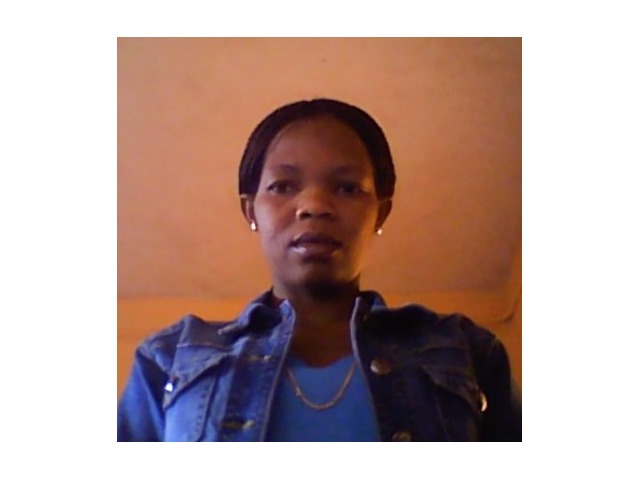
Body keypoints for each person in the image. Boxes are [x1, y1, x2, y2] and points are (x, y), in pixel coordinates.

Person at [117, 98, 522, 442]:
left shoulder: (465, 350)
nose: (314, 206)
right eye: (283, 186)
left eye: (347, 187)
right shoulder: (170, 358)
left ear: (379, 213)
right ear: (251, 211)